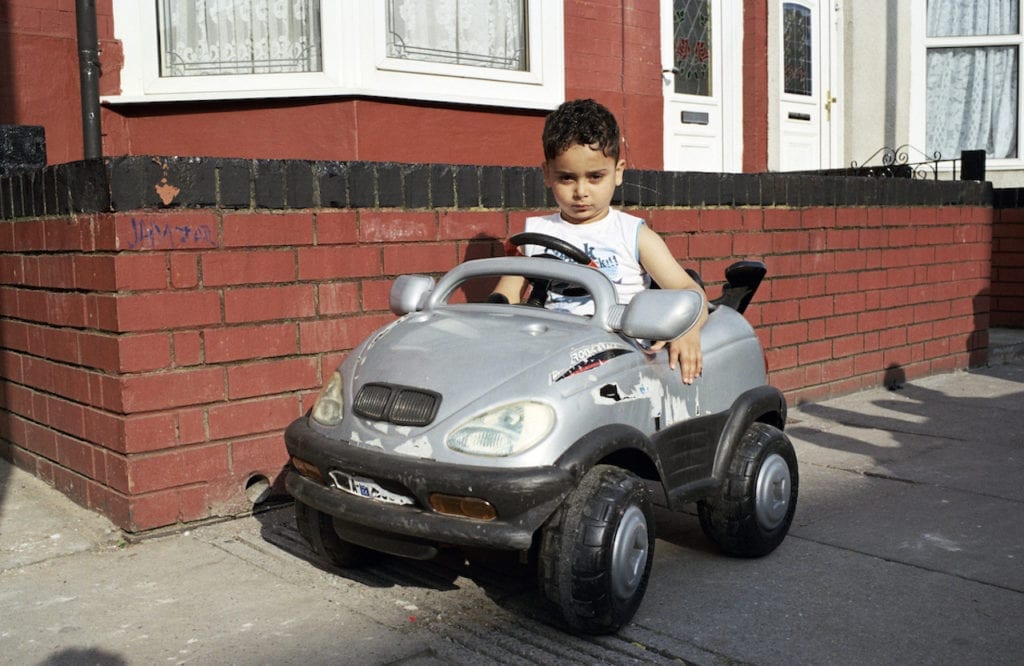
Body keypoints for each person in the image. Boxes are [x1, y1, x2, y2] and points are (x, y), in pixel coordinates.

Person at [492, 98, 707, 384]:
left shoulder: (633, 234)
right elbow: (502, 302)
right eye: (567, 178)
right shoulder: (534, 235)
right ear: (547, 174)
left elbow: (690, 292)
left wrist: (685, 329)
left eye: (595, 177)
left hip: (622, 360)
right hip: (552, 357)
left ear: (617, 172)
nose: (581, 191)